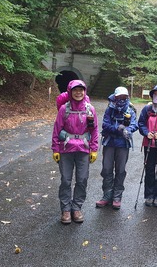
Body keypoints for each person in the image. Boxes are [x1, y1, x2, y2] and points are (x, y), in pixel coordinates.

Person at [51, 80, 99, 224]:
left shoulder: (90, 109)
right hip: (66, 149)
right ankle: (65, 209)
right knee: (66, 180)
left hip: (83, 149)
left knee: (82, 179)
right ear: (70, 92)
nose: (78, 93)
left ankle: (76, 208)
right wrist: (55, 149)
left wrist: (94, 148)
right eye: (75, 90)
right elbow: (57, 129)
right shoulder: (64, 109)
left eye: (81, 90)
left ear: (85, 92)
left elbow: (95, 130)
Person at [96, 87, 138, 210]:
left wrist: (127, 130)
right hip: (109, 142)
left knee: (120, 170)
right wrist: (118, 129)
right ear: (115, 96)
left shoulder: (130, 109)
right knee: (106, 169)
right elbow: (105, 124)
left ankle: (117, 197)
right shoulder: (110, 108)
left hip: (123, 144)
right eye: (119, 97)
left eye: (124, 96)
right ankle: (107, 195)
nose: (121, 99)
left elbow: (134, 124)